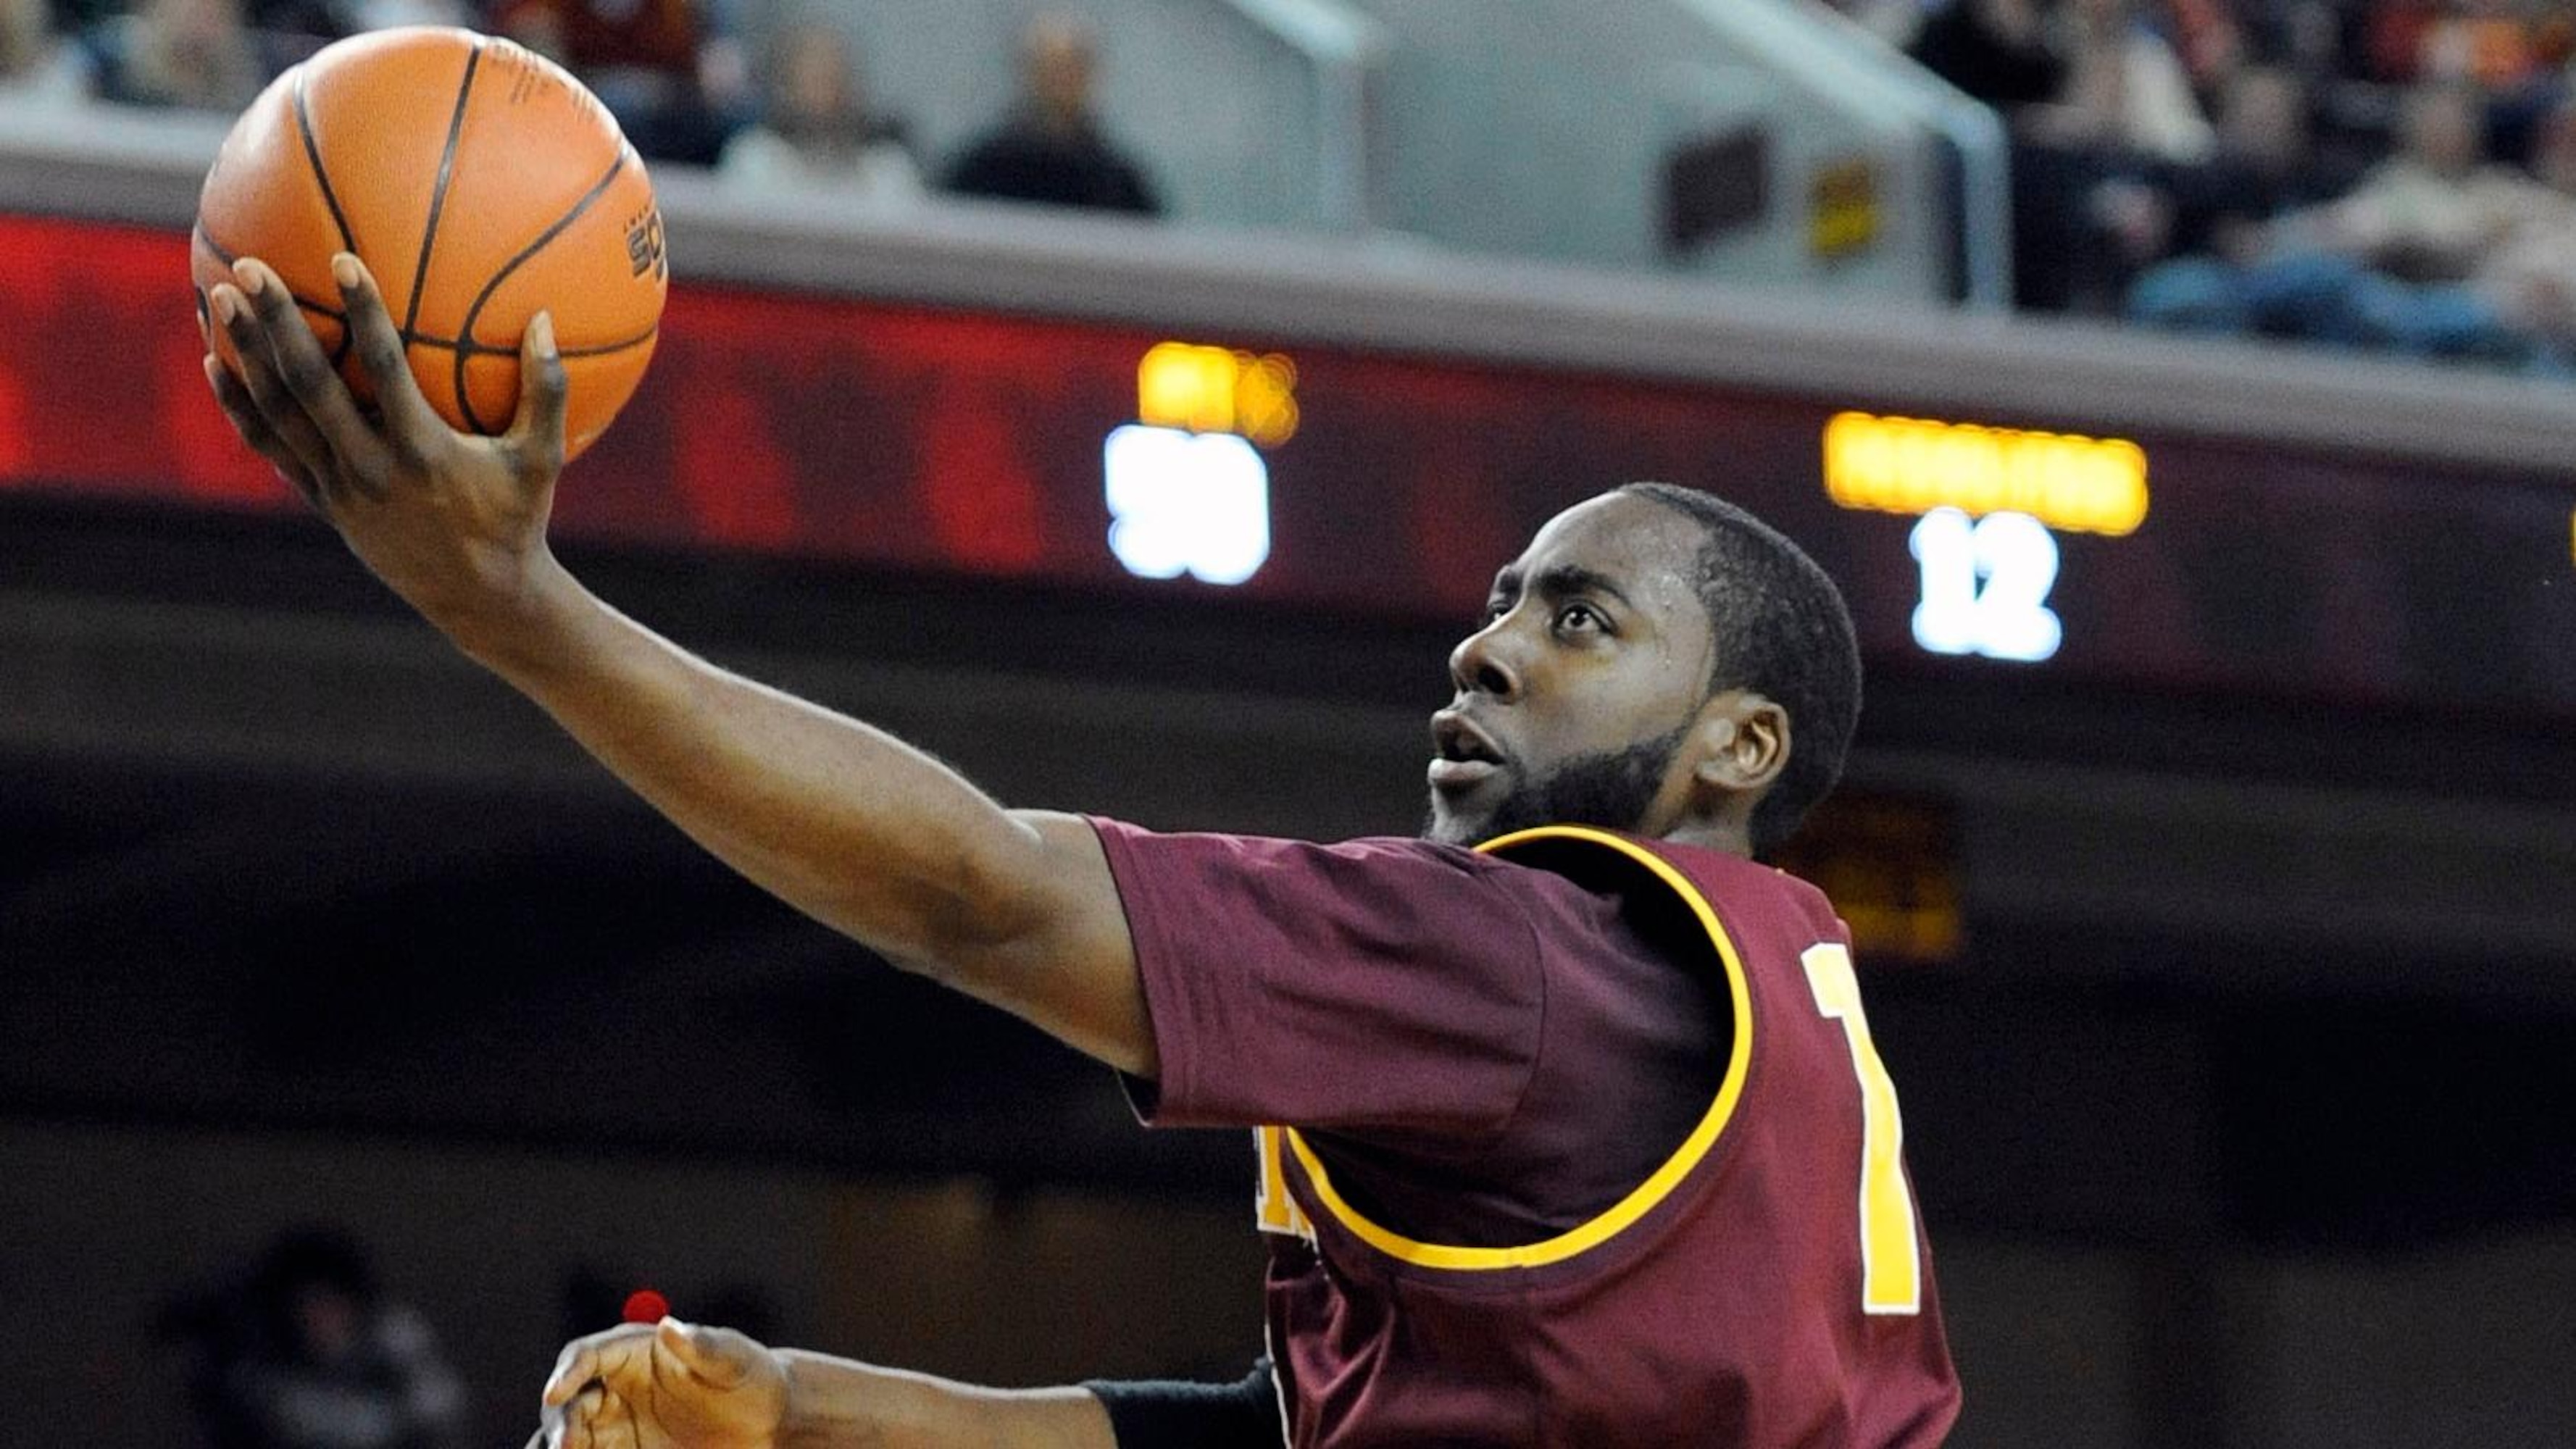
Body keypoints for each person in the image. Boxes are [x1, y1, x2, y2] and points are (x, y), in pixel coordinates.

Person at [197, 251, 1959, 1445]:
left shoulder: (1519, 960)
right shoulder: (1772, 1005)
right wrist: (807, 1409)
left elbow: (978, 895)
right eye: (1498, 602)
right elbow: (1278, 1429)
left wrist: (510, 607)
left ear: (1738, 742)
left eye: (1578, 619)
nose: (1485, 648)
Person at [162, 1227, 470, 1449]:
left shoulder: (394, 1339)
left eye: (330, 1304)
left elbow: (439, 1414)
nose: (320, 1319)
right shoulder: (263, 1368)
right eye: (308, 1306)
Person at [943, 12, 1159, 216]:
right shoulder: (984, 168)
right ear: (1028, 73)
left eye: (1072, 69)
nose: (1061, 81)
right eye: (1052, 68)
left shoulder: (1117, 182)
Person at [716, 25, 922, 206]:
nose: (828, 94)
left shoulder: (888, 172)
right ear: (787, 88)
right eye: (814, 79)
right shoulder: (754, 160)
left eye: (835, 77)